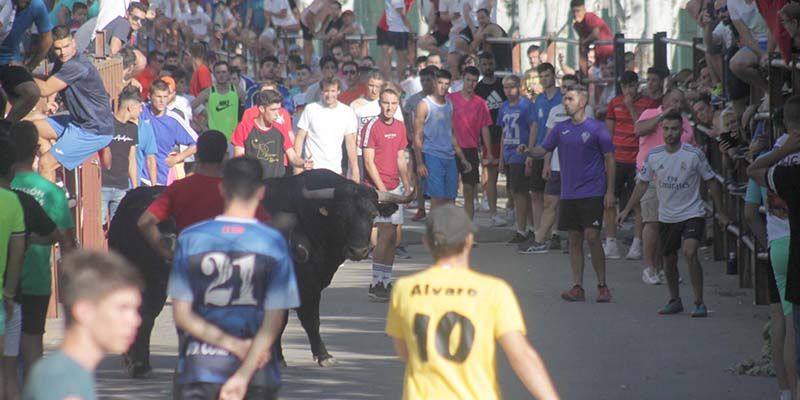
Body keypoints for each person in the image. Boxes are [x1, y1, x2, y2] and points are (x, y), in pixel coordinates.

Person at [385, 204, 560, 400]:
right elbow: (521, 356)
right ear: (469, 240)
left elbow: (405, 350)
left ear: (427, 242)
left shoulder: (405, 289)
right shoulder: (494, 291)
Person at [133, 131, 270, 378]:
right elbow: (265, 230)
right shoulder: (236, 190)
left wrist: (165, 251)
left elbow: (145, 222)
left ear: (198, 154)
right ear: (225, 156)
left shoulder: (180, 188)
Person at [169, 156, 299, 400]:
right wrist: (243, 373)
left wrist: (230, 345)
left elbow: (182, 315)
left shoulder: (191, 239)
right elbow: (274, 319)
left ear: (221, 188)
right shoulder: (273, 243)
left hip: (200, 368)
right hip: (256, 372)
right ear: (261, 192)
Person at [619, 112, 729, 317]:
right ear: (662, 130)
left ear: (682, 130)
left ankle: (698, 301)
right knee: (668, 259)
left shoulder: (693, 155)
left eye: (674, 129)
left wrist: (720, 212)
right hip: (667, 216)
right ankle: (674, 300)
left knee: (689, 251)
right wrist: (626, 209)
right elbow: (642, 184)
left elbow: (712, 181)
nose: (670, 133)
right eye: (666, 129)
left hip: (692, 212)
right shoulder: (654, 156)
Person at [519, 84, 614, 302]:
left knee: (591, 236)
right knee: (573, 239)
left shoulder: (597, 128)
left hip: (593, 190)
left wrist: (609, 191)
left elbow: (610, 158)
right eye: (564, 99)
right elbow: (543, 149)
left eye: (570, 99)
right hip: (569, 192)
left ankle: (602, 285)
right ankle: (578, 287)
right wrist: (529, 151)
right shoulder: (560, 129)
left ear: (582, 103)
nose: (565, 102)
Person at [21, 250, 143, 400]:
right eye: (122, 308)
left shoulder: (71, 373)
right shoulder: (62, 381)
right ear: (84, 311)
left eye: (135, 309)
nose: (136, 320)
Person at [10, 121, 77, 375]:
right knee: (32, 347)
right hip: (36, 279)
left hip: (5, 280)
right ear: (36, 150)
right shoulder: (51, 192)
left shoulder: (5, 189)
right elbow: (68, 244)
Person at [30, 25, 115, 182]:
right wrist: (51, 102)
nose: (63, 52)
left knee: (45, 163)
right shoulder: (62, 61)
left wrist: (22, 72)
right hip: (76, 122)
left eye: (67, 46)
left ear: (74, 42)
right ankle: (56, 175)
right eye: (58, 48)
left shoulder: (76, 65)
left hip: (93, 130)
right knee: (30, 128)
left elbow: (45, 89)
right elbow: (52, 83)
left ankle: (51, 202)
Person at [634, 88, 695, 284]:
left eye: (680, 102)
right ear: (665, 100)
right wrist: (662, 116)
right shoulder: (650, 113)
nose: (676, 105)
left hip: (677, 180)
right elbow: (639, 130)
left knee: (668, 225)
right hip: (650, 176)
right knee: (652, 222)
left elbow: (691, 146)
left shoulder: (684, 122)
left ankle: (664, 268)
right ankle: (649, 268)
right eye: (673, 101)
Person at [602, 71, 659, 260]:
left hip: (638, 159)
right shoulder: (614, 103)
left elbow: (642, 129)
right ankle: (610, 242)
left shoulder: (648, 104)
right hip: (617, 159)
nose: (628, 90)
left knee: (638, 203)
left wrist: (631, 108)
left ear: (637, 85)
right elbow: (609, 133)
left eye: (631, 86)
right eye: (625, 87)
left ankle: (636, 244)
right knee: (610, 200)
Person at [363, 87, 412, 302]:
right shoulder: (371, 126)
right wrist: (382, 190)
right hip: (377, 189)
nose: (389, 107)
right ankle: (376, 282)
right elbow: (368, 161)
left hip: (395, 187)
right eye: (385, 102)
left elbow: (401, 158)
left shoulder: (401, 127)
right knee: (383, 235)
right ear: (379, 103)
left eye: (393, 103)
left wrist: (407, 185)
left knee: (393, 236)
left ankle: (386, 279)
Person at [518, 63, 561, 253]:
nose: (544, 79)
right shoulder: (539, 100)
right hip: (539, 150)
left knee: (553, 196)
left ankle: (555, 233)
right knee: (535, 193)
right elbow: (535, 126)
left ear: (554, 76)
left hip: (558, 152)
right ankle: (538, 234)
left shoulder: (562, 97)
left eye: (547, 75)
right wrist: (530, 150)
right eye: (541, 76)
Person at [413, 69, 470, 208]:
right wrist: (420, 163)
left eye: (446, 83)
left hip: (450, 157)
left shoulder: (450, 104)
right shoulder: (424, 105)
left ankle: (447, 230)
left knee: (451, 200)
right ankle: (435, 230)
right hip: (432, 156)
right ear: (434, 82)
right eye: (440, 82)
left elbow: (451, 133)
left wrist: (462, 158)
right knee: (437, 200)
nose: (443, 86)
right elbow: (417, 136)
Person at [294, 77, 360, 183]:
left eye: (333, 91)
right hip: (312, 170)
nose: (329, 95)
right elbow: (300, 138)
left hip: (335, 171)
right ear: (321, 91)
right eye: (326, 91)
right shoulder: (310, 109)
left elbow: (350, 144)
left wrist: (355, 171)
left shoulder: (347, 112)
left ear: (338, 91)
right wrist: (297, 166)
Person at [448, 66, 493, 220]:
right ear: (463, 79)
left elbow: (485, 128)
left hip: (471, 149)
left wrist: (489, 151)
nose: (471, 84)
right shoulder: (451, 99)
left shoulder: (481, 103)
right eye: (468, 80)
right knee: (450, 192)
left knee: (469, 190)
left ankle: (467, 231)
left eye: (474, 81)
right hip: (451, 149)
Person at [0, 138, 26, 400]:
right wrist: (9, 292)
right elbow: (17, 252)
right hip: (2, 299)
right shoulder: (12, 201)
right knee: (7, 373)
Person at [235, 89, 310, 178]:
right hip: (254, 184)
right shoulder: (244, 128)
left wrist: (303, 163)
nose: (277, 114)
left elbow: (292, 156)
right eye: (273, 110)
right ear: (262, 109)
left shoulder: (280, 128)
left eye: (278, 109)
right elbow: (239, 159)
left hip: (277, 183)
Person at [0, 0, 52, 122]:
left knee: (31, 92)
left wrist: (29, 66)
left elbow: (47, 39)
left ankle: (6, 127)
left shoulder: (36, 5)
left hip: (9, 61)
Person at [139, 79, 198, 185]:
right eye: (158, 97)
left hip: (161, 178)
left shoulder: (173, 120)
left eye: (165, 97)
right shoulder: (141, 111)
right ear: (149, 96)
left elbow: (198, 143)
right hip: (140, 177)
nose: (162, 101)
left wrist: (177, 158)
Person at [498, 75, 533, 244]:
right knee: (514, 192)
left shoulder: (526, 105)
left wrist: (529, 152)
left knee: (520, 192)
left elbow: (533, 127)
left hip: (520, 152)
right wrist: (501, 158)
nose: (508, 91)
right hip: (509, 154)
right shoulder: (503, 107)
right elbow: (504, 133)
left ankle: (522, 230)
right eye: (505, 87)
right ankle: (528, 227)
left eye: (512, 87)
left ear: (519, 87)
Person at [474, 52, 507, 227]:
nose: (487, 66)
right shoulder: (478, 89)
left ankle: (511, 208)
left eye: (490, 63)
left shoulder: (503, 85)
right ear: (480, 65)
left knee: (512, 176)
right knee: (491, 176)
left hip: (508, 137)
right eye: (484, 64)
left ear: (494, 64)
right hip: (489, 138)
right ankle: (494, 213)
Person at [101, 86, 141, 225]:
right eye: (139, 107)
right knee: (98, 226)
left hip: (121, 187)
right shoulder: (107, 124)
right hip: (102, 185)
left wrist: (135, 186)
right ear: (130, 107)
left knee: (119, 227)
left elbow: (131, 158)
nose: (141, 111)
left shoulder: (133, 129)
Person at [404, 66, 438, 222]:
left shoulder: (440, 98)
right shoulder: (414, 99)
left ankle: (436, 210)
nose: (425, 83)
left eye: (428, 80)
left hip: (436, 143)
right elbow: (405, 111)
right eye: (422, 80)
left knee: (435, 176)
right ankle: (421, 208)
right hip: (419, 142)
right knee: (419, 175)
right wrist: (409, 131)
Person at [191, 60, 245, 143]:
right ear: (214, 74)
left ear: (228, 74)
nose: (221, 75)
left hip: (233, 139)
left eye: (224, 72)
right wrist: (202, 126)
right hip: (214, 138)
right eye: (218, 72)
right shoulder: (208, 92)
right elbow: (187, 108)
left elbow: (249, 109)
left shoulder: (237, 91)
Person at [570, 0, 613, 75]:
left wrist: (585, 42)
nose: (576, 14)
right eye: (573, 11)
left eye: (578, 11)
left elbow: (595, 34)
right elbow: (583, 46)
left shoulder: (589, 17)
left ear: (584, 10)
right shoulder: (576, 26)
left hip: (610, 54)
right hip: (599, 58)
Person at [378, 0, 413, 82]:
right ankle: (388, 82)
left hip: (395, 27)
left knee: (400, 57)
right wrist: (410, 30)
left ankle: (399, 82)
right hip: (388, 27)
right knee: (388, 58)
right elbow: (402, 14)